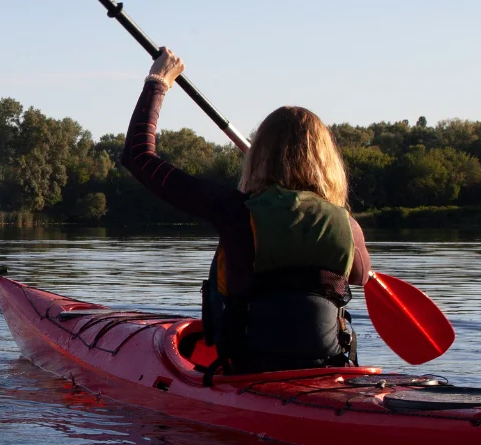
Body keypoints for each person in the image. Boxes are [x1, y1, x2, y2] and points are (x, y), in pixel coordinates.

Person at [125, 49, 371, 376]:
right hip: (329, 372)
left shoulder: (236, 212)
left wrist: (158, 82)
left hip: (251, 372)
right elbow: (361, 277)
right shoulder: (349, 227)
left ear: (258, 157)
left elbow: (139, 156)